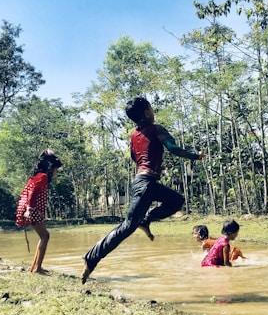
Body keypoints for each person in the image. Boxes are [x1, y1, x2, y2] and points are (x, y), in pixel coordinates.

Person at [81, 97, 203, 283]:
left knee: (176, 201)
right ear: (147, 112)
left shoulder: (134, 135)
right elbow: (173, 148)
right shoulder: (157, 129)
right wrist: (195, 156)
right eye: (151, 109)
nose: (153, 112)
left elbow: (135, 157)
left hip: (146, 182)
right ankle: (91, 258)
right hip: (145, 184)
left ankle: (146, 221)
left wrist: (154, 167)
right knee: (127, 226)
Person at [16, 149, 63, 274]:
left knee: (44, 236)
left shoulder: (37, 176)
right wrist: (30, 209)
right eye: (55, 169)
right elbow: (32, 192)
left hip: (29, 209)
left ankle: (35, 267)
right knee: (45, 236)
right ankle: (37, 268)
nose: (55, 172)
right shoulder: (42, 177)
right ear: (50, 167)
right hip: (31, 209)